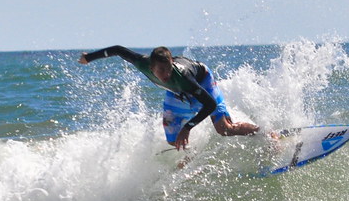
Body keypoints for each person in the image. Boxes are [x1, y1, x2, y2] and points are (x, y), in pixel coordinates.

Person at [78, 45, 260, 150]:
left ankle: (264, 133)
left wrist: (188, 127)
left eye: (168, 68)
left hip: (202, 80)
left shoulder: (183, 78)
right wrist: (89, 57)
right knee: (173, 140)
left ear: (172, 63)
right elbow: (118, 50)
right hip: (176, 92)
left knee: (224, 129)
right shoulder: (142, 63)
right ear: (151, 67)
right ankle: (191, 160)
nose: (165, 74)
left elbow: (210, 104)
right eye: (161, 70)